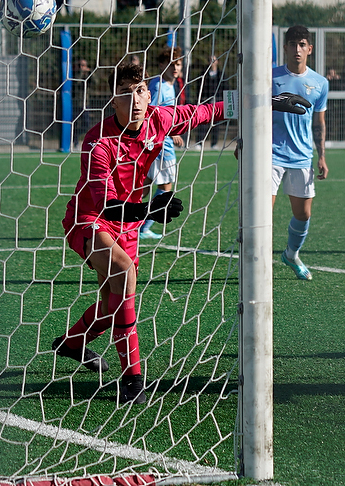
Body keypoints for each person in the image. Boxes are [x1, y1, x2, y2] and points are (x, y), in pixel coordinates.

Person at [53, 61, 224, 405]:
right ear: (112, 101)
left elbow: (208, 111)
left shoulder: (159, 119)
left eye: (141, 90)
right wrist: (150, 211)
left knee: (113, 304)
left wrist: (262, 100)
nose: (135, 99)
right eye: (126, 93)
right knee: (125, 275)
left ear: (149, 94)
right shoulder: (97, 141)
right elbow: (104, 203)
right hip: (91, 219)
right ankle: (132, 378)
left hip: (128, 226)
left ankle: (71, 343)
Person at [272, 25, 329, 281]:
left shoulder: (320, 83)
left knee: (303, 215)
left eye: (302, 44)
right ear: (285, 47)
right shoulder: (270, 78)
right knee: (262, 211)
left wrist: (322, 156)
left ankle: (291, 254)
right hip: (269, 154)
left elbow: (319, 123)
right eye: (293, 44)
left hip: (301, 156)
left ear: (310, 49)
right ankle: (255, 265)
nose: (297, 49)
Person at [139, 47, 184, 239]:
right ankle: (143, 227)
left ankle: (127, 220)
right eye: (171, 63)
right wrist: (171, 131)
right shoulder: (158, 85)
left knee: (146, 184)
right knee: (166, 187)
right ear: (161, 65)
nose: (175, 67)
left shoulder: (169, 84)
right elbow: (152, 113)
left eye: (178, 64)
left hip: (158, 143)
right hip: (160, 144)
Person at [196, 54, 225, 149]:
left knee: (216, 124)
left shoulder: (221, 74)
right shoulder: (203, 74)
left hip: (217, 102)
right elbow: (199, 88)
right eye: (210, 60)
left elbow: (225, 87)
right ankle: (199, 143)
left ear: (217, 62)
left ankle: (214, 144)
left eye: (214, 60)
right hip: (206, 101)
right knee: (203, 123)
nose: (212, 62)